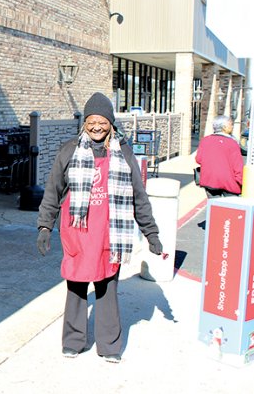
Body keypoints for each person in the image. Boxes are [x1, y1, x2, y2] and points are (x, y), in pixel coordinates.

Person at [36, 92, 163, 364]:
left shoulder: (123, 152)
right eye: (91, 121)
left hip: (109, 235)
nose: (96, 126)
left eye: (102, 121)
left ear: (111, 123)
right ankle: (73, 341)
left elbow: (139, 197)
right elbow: (52, 192)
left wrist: (151, 233)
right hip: (78, 234)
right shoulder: (68, 150)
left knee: (107, 291)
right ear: (84, 123)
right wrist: (45, 226)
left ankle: (110, 346)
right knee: (76, 289)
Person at [195, 115, 243, 197]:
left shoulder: (205, 140)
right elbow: (238, 166)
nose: (232, 127)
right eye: (230, 124)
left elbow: (198, 159)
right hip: (229, 183)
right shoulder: (232, 143)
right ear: (224, 127)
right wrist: (241, 182)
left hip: (210, 181)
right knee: (231, 207)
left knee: (214, 206)